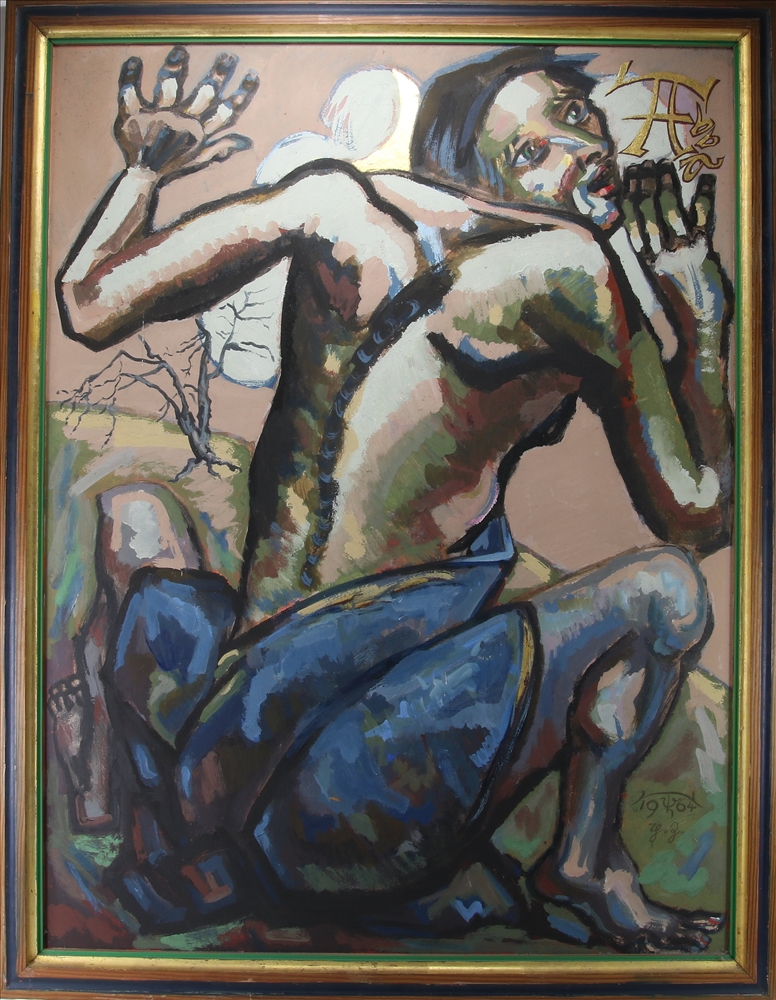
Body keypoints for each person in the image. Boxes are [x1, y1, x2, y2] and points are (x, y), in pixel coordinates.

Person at [53, 44, 732, 952]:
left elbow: (86, 301)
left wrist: (144, 170)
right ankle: (583, 866)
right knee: (670, 590)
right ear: (484, 174)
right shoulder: (574, 265)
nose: (589, 151)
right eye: (543, 146)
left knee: (134, 517)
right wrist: (703, 324)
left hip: (219, 750)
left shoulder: (330, 201)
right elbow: (697, 510)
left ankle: (116, 798)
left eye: (582, 120)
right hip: (342, 804)